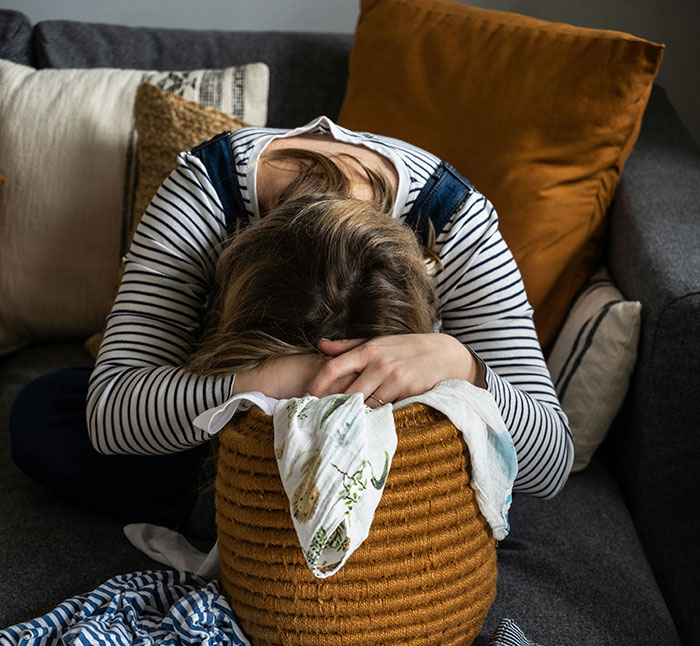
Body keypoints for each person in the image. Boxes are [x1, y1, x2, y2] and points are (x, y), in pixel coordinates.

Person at [9, 116, 574, 530]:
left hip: (390, 444)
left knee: (493, 460)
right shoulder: (207, 193)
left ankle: (243, 522)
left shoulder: (455, 221)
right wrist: (275, 382)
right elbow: (111, 414)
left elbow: (551, 465)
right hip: (228, 428)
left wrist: (460, 365)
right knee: (44, 414)